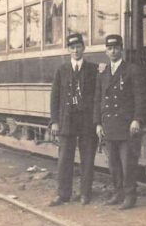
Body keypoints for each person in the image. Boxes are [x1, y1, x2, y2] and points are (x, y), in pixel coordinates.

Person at [94, 34, 144, 210]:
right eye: (109, 48)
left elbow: (139, 97)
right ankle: (118, 192)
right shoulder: (103, 72)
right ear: (106, 51)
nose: (113, 51)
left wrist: (137, 119)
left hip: (126, 124)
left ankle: (130, 196)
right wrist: (98, 123)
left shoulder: (131, 69)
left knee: (128, 162)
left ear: (121, 49)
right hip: (109, 124)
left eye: (116, 48)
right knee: (113, 163)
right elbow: (98, 99)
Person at [48, 33, 98, 206]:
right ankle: (63, 194)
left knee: (88, 158)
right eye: (72, 47)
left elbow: (98, 97)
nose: (76, 50)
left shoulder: (93, 69)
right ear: (68, 50)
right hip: (66, 121)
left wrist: (97, 121)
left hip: (87, 122)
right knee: (64, 159)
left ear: (83, 48)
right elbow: (55, 97)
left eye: (78, 47)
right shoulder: (61, 70)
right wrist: (54, 121)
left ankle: (85, 194)